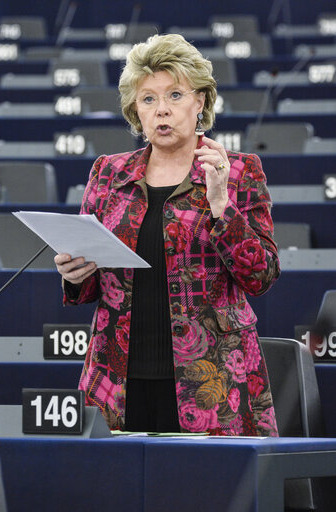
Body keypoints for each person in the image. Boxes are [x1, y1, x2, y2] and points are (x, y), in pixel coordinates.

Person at [55, 33, 280, 436]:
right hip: (116, 378)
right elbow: (92, 284)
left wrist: (220, 206)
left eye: (175, 95)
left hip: (213, 383)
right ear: (135, 111)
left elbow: (261, 277)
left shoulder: (241, 172)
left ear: (201, 103)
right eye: (148, 99)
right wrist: (76, 273)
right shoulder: (108, 173)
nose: (162, 110)